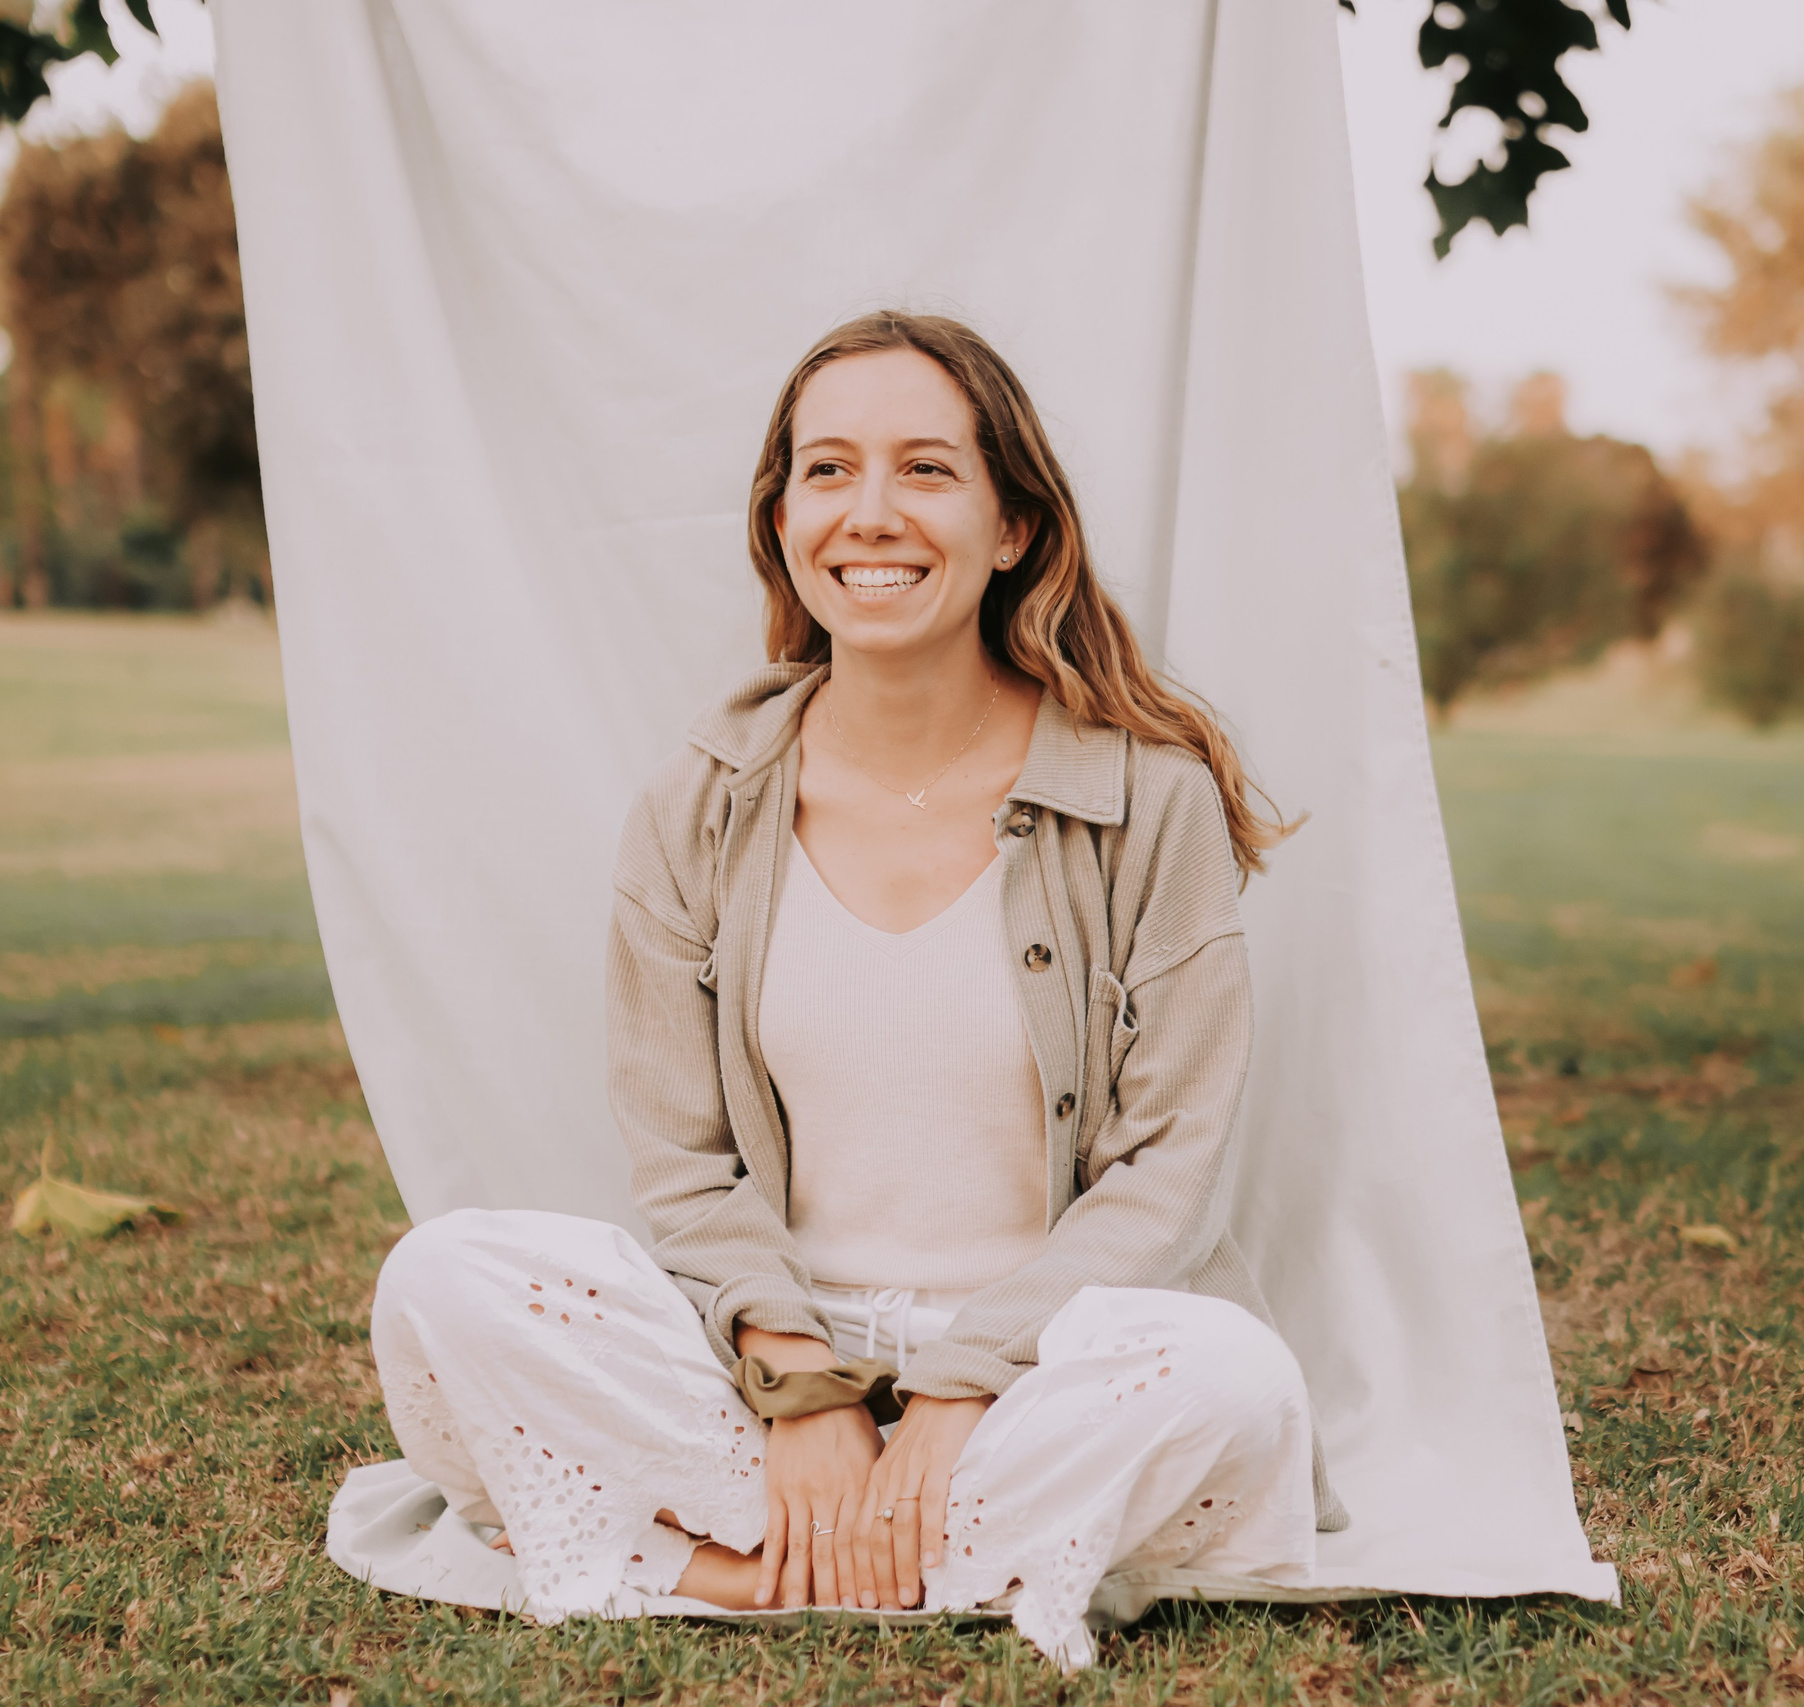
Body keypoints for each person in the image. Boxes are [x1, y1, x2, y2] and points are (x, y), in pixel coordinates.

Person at [364, 311, 1343, 1669]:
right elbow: (684, 1164)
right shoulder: (697, 806)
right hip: (771, 1362)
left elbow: (1165, 1173)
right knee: (445, 1281)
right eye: (827, 471)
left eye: (927, 470)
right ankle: (913, 1549)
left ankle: (733, 1564)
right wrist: (801, 1385)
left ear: (1014, 526)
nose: (870, 514)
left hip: (1033, 1369)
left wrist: (957, 1388)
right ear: (780, 521)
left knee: (1232, 1386)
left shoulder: (1145, 802)